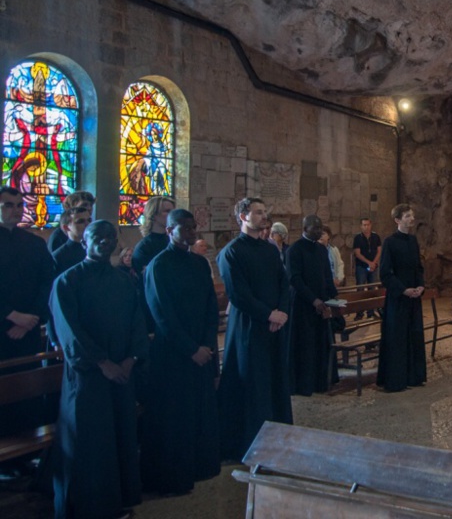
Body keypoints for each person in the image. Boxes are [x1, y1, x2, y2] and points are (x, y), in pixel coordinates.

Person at [49, 220, 149, 519]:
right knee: (90, 442)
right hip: (88, 377)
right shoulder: (67, 282)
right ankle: (87, 508)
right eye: (97, 237)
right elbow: (69, 331)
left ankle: (117, 501)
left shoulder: (123, 281)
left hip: (121, 374)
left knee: (118, 436)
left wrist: (129, 360)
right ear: (84, 242)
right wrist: (103, 364)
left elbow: (137, 323)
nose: (104, 242)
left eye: (109, 237)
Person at [141, 209, 221, 495]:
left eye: (193, 227)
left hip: (201, 349)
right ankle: (174, 475)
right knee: (175, 417)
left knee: (199, 412)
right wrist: (191, 349)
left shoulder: (199, 264)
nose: (191, 232)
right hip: (174, 354)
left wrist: (208, 344)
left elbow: (211, 307)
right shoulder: (158, 266)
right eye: (184, 228)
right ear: (169, 230)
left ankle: (201, 465)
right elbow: (162, 314)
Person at [216, 198, 292, 460]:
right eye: (258, 212)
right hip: (249, 327)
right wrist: (269, 313)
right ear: (243, 216)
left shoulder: (270, 249)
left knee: (274, 382)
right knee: (252, 385)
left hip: (274, 326)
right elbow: (239, 294)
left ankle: (278, 438)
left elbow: (284, 283)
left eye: (264, 212)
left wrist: (281, 313)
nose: (263, 216)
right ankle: (249, 443)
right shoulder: (231, 252)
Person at [0, 186, 55, 475]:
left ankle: (27, 454)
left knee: (28, 392)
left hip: (29, 331)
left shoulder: (34, 244)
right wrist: (11, 316)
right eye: (8, 204)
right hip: (2, 332)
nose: (15, 209)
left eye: (19, 204)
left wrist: (32, 317)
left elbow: (48, 281)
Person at [377, 203, 426, 393]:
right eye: (407, 216)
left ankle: (413, 376)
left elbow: (418, 267)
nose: (411, 219)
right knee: (397, 339)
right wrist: (403, 290)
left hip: (414, 297)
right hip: (398, 298)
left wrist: (420, 285)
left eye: (412, 215)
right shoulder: (389, 242)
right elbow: (385, 273)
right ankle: (396, 379)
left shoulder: (413, 241)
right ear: (397, 220)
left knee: (413, 335)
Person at [288, 216, 338, 396]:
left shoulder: (321, 249)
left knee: (320, 344)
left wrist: (333, 297)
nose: (319, 231)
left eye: (320, 228)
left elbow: (326, 275)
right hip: (303, 305)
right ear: (305, 228)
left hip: (321, 305)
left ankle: (321, 381)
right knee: (305, 345)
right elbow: (295, 279)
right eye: (315, 228)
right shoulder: (295, 249)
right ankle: (304, 384)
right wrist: (313, 300)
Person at [131, 196, 175, 275]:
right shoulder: (144, 247)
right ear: (153, 215)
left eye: (173, 211)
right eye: (167, 211)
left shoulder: (174, 241)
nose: (172, 215)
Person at [52, 208, 91, 275]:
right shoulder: (58, 257)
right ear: (66, 227)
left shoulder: (95, 250)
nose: (87, 224)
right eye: (80, 221)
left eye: (89, 220)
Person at [352, 218, 381, 286]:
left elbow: (379, 251)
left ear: (371, 225)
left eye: (368, 225)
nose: (366, 227)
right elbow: (357, 253)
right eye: (364, 225)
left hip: (374, 266)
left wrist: (373, 263)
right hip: (361, 266)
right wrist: (369, 263)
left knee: (373, 287)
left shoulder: (376, 237)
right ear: (361, 226)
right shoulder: (358, 238)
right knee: (361, 286)